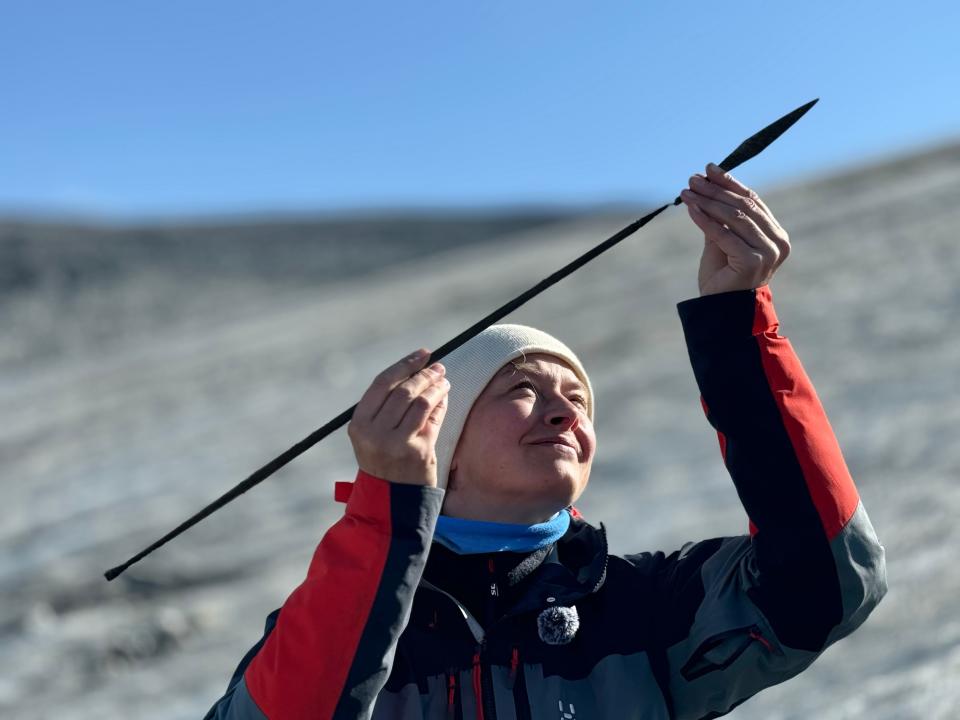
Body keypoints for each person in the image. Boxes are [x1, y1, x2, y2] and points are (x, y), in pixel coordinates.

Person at [205, 163, 887, 719]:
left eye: (580, 401)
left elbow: (828, 584)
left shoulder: (641, 605)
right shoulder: (356, 620)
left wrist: (738, 326)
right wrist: (386, 509)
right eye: (522, 390)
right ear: (440, 440)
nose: (566, 415)